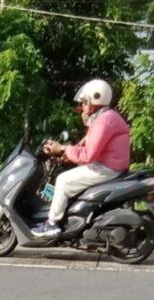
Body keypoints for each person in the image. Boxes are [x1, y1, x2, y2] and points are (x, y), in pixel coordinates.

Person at [31, 79, 131, 238]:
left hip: (108, 168)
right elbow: (87, 145)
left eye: (85, 102)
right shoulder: (105, 118)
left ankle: (52, 224)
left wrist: (63, 148)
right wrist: (66, 154)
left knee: (63, 180)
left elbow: (88, 155)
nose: (82, 106)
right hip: (109, 165)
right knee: (73, 175)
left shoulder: (104, 121)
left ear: (95, 100)